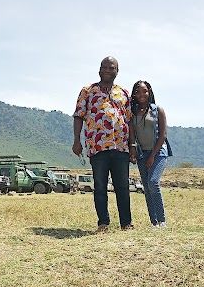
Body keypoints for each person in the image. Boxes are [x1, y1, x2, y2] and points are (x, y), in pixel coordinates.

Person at [73, 56, 133, 232]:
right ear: (99, 69)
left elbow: (129, 120)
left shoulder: (123, 93)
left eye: (111, 68)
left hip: (120, 146)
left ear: (117, 71)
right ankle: (103, 223)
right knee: (100, 186)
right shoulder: (88, 91)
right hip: (97, 147)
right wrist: (77, 140)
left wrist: (132, 146)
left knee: (122, 186)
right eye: (104, 67)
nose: (107, 70)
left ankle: (126, 223)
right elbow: (78, 116)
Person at [130, 80, 172, 227]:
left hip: (158, 152)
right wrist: (133, 150)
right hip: (142, 154)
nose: (141, 94)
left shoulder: (158, 110)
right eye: (138, 92)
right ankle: (154, 222)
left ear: (149, 92)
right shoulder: (133, 113)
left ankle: (162, 220)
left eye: (145, 91)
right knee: (147, 188)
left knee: (153, 182)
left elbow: (163, 135)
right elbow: (132, 134)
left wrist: (153, 155)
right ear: (134, 95)